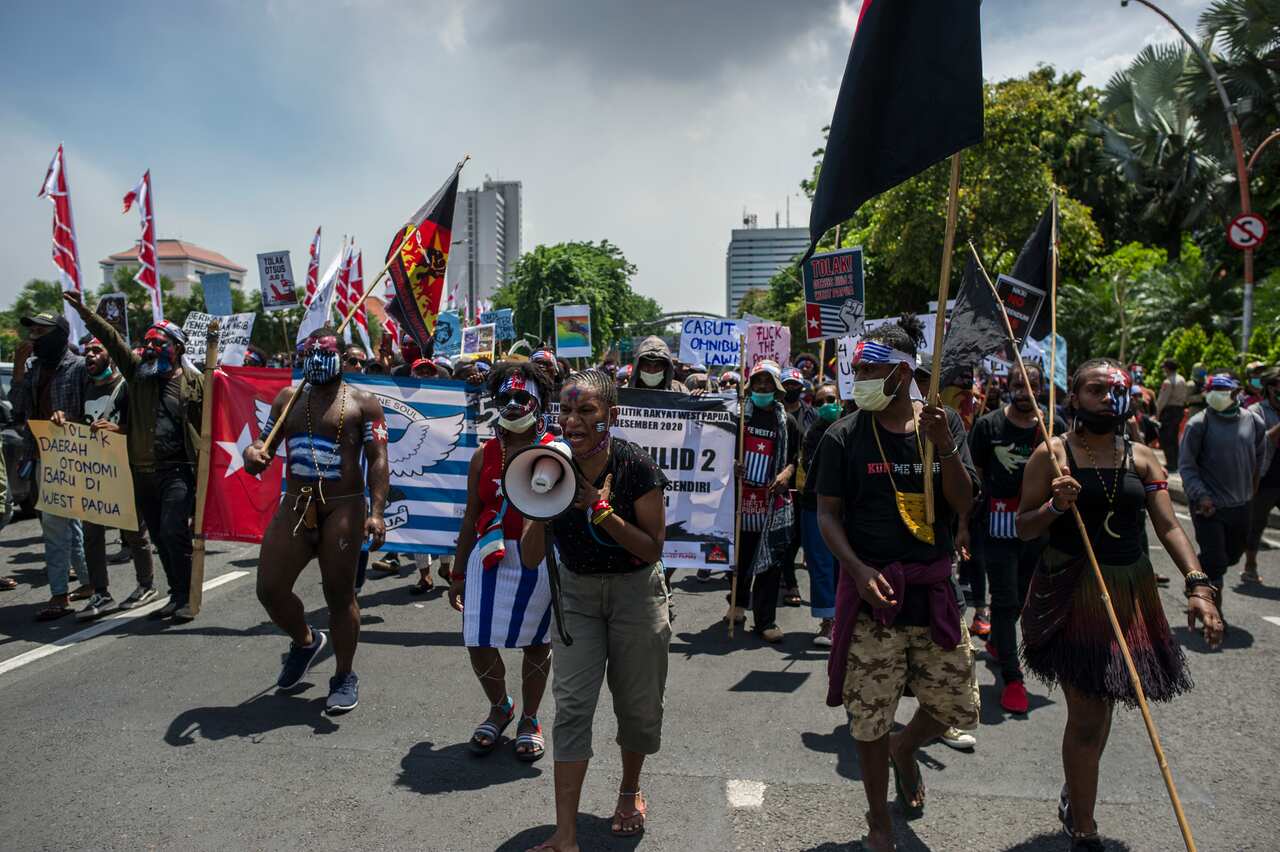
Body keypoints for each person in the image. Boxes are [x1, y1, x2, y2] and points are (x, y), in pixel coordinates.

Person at [1016, 359, 1223, 850]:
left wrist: (1198, 585)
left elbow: (1169, 526)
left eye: (1116, 391)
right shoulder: (1052, 455)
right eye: (1095, 390)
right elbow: (1022, 526)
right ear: (1074, 399)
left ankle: (1076, 793)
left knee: (1103, 705)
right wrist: (1055, 507)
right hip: (1070, 594)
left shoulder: (1145, 458)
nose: (1107, 398)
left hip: (1129, 594)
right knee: (1087, 713)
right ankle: (1084, 828)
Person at [816, 320, 979, 852]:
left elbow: (963, 502)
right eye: (857, 368)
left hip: (933, 593)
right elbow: (827, 515)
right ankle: (877, 821)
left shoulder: (945, 423)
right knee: (867, 720)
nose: (858, 377)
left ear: (903, 372)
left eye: (869, 369)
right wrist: (857, 571)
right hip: (872, 599)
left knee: (957, 706)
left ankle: (905, 749)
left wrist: (944, 447)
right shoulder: (843, 434)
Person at [519, 369, 670, 850]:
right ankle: (565, 834)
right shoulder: (547, 464)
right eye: (566, 410)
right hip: (579, 598)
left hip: (635, 592)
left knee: (638, 706)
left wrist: (599, 510)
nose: (573, 420)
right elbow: (528, 557)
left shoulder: (636, 468)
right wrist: (544, 506)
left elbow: (652, 549)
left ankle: (629, 791)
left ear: (612, 416)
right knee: (572, 710)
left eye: (586, 410)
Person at [242, 326, 389, 714]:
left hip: (343, 507)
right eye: (311, 355)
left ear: (340, 356)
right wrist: (252, 454)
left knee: (340, 596)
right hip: (296, 503)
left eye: (326, 353)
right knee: (270, 589)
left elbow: (378, 459)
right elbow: (263, 444)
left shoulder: (364, 403)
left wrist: (375, 512)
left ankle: (343, 675)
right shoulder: (288, 400)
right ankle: (306, 641)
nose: (318, 361)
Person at [65, 291, 205, 621]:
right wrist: (87, 314)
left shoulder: (195, 383)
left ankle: (186, 595)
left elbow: (213, 424)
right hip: (142, 472)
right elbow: (113, 340)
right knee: (157, 535)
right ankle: (174, 593)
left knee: (173, 531)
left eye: (160, 343)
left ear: (178, 348)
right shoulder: (137, 375)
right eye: (148, 342)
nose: (152, 348)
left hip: (178, 471)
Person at [448, 362, 556, 760]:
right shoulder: (483, 455)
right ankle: (500, 707)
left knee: (536, 643)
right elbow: (469, 514)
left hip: (537, 557)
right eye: (504, 398)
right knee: (477, 640)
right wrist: (457, 573)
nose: (512, 405)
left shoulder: (555, 451)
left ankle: (530, 717)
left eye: (521, 397)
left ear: (538, 401)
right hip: (488, 556)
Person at [962, 363, 1066, 715]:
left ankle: (998, 640)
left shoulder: (1056, 428)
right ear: (1009, 385)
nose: (1025, 390)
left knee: (1021, 599)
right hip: (997, 526)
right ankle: (1013, 677)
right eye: (1019, 384)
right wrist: (962, 524)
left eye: (1032, 385)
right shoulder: (988, 425)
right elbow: (973, 478)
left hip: (1038, 526)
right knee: (1005, 601)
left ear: (1041, 388)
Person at [70, 334, 157, 620]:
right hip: (95, 472)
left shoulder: (126, 388)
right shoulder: (83, 388)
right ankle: (100, 592)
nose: (90, 356)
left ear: (111, 354)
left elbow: (141, 427)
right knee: (92, 534)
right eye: (87, 352)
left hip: (125, 471)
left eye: (97, 350)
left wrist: (117, 431)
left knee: (133, 531)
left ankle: (146, 585)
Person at [9, 311, 87, 621]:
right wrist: (17, 369)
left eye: (41, 331)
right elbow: (17, 410)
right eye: (32, 331)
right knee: (65, 526)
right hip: (42, 458)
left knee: (63, 527)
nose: (33, 338)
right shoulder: (34, 370)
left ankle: (62, 594)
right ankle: (83, 585)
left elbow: (95, 411)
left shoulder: (79, 368)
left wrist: (70, 421)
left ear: (58, 335)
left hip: (75, 459)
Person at [1178, 373, 1266, 624]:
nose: (1216, 393)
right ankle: (1214, 614)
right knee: (1216, 560)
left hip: (1241, 503)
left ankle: (1198, 576)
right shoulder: (1198, 424)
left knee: (1232, 556)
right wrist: (1200, 495)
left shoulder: (1253, 420)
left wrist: (1253, 488)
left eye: (1222, 389)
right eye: (1213, 389)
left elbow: (1260, 456)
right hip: (1209, 506)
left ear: (1236, 393)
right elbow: (1187, 466)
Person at [728, 360, 798, 642]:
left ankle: (766, 621)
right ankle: (737, 605)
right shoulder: (737, 416)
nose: (762, 387)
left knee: (770, 565)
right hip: (741, 501)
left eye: (768, 382)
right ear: (750, 385)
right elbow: (720, 451)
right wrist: (732, 464)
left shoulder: (788, 422)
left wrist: (786, 473)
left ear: (777, 388)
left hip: (772, 502)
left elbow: (795, 459)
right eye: (758, 381)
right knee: (741, 559)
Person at [799, 380, 841, 646]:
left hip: (849, 509)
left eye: (831, 399)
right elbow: (809, 466)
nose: (826, 405)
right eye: (820, 402)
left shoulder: (856, 426)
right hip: (816, 506)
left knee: (845, 564)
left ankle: (847, 619)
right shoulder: (812, 434)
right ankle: (828, 621)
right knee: (821, 564)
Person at [1244, 368, 1280, 583]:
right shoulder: (1257, 411)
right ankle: (1250, 564)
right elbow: (1261, 441)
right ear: (1270, 388)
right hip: (1266, 477)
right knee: (1256, 523)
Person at [1155, 359, 1189, 470]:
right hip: (1179, 410)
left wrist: (1158, 414)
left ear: (1168, 368)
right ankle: (1176, 462)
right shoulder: (1182, 380)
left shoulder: (1168, 382)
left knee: (1166, 438)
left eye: (1164, 367)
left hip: (1169, 411)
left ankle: (1171, 463)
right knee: (1174, 437)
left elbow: (1162, 401)